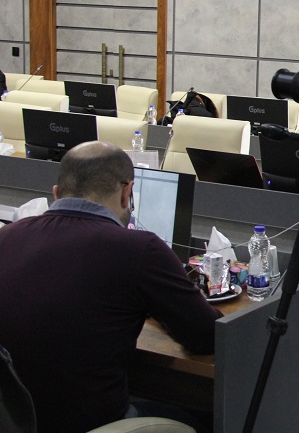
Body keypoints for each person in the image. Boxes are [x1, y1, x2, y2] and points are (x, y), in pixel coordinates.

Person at [0, 141, 222, 433]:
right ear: (127, 192)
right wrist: (160, 309)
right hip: (93, 423)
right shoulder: (140, 249)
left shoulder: (6, 236)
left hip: (17, 421)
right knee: (209, 417)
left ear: (56, 193)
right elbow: (207, 335)